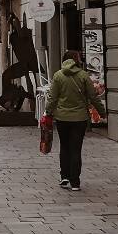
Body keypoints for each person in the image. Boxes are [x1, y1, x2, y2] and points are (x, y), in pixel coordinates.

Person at [45, 49, 106, 192]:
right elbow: (93, 96)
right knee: (76, 149)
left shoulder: (58, 76)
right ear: (75, 59)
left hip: (62, 118)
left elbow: (52, 98)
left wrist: (48, 112)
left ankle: (64, 176)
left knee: (65, 147)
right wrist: (102, 112)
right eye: (79, 57)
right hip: (80, 119)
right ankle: (75, 182)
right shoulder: (83, 76)